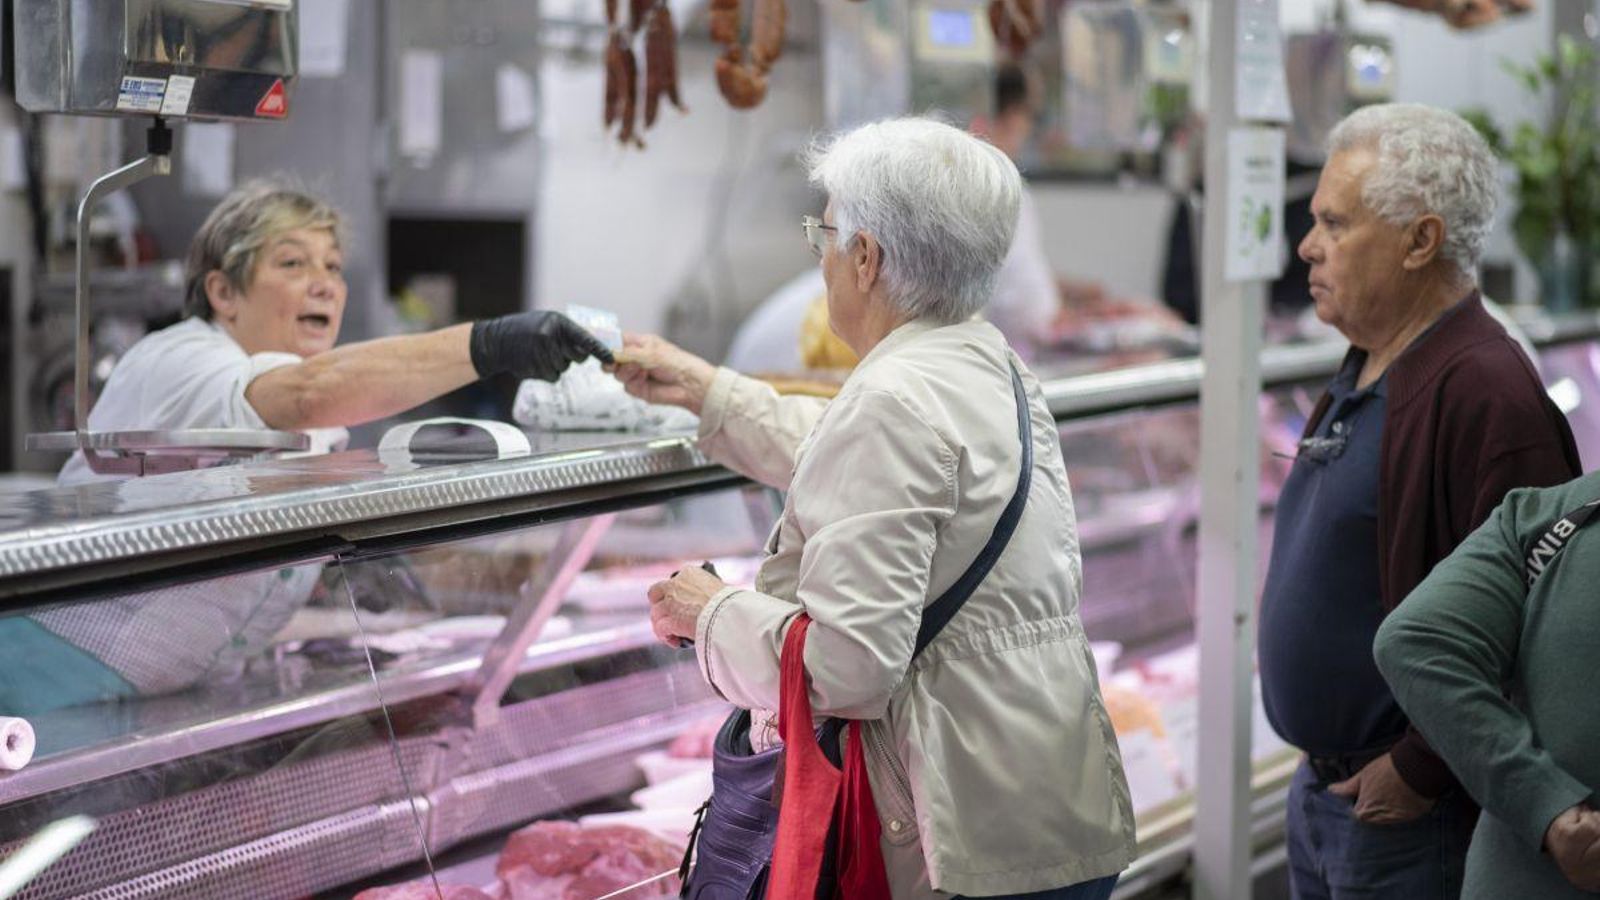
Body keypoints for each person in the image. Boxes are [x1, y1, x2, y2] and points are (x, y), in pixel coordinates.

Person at [613, 117, 1134, 899]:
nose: (820, 258)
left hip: (953, 844)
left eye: (823, 235)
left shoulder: (893, 398)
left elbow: (847, 667)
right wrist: (709, 391)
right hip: (1037, 812)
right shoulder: (987, 363)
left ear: (866, 257)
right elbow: (873, 467)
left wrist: (713, 611)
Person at [0, 179, 611, 715]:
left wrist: (340, 571)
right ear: (223, 292)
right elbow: (307, 394)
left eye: (333, 267)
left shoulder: (309, 407)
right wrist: (490, 344)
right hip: (47, 675)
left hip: (171, 690)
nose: (323, 285)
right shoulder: (183, 359)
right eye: (292, 264)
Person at [1255, 102, 1580, 900]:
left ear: (1420, 241)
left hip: (1410, 822)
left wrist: (1421, 769)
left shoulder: (1486, 391)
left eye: (1334, 223)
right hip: (1326, 798)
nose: (1307, 244)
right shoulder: (1369, 354)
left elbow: (1535, 629)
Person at [1374, 472, 1600, 898]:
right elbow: (1413, 640)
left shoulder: (1541, 514)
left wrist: (1547, 806)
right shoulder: (1542, 516)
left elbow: (1414, 642)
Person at [980, 64, 1170, 352]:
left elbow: (1018, 273)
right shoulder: (992, 189)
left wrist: (1074, 294)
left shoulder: (1011, 188)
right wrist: (1061, 316)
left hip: (1034, 334)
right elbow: (1015, 302)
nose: (1030, 127)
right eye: (1032, 115)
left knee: (1154, 320)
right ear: (1012, 116)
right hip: (1023, 347)